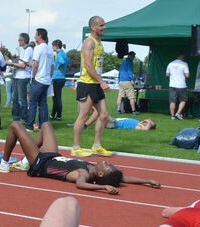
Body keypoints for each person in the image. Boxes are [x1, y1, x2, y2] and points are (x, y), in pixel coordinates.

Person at [0, 120, 160, 194]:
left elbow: (80, 185)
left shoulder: (83, 174)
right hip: (52, 155)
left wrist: (102, 187)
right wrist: (147, 181)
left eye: (107, 166)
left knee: (15, 126)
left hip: (40, 163)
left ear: (100, 174)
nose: (107, 162)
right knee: (46, 126)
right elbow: (122, 178)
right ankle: (25, 161)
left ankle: (4, 163)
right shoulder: (94, 168)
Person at [71, 16, 112, 158]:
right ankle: (76, 147)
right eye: (101, 25)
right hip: (87, 83)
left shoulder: (99, 42)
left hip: (95, 83)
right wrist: (102, 81)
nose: (104, 27)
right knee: (83, 116)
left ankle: (96, 146)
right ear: (93, 27)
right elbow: (88, 66)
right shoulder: (89, 42)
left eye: (104, 25)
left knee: (104, 115)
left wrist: (99, 81)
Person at [27, 29, 53, 131]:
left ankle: (29, 126)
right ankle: (44, 125)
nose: (34, 37)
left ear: (40, 36)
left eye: (36, 35)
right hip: (46, 80)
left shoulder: (38, 48)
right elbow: (52, 66)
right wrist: (49, 77)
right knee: (43, 103)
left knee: (32, 103)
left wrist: (33, 76)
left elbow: (35, 64)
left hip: (38, 79)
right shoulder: (50, 49)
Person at [6, 33, 32, 124]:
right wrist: (14, 63)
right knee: (15, 98)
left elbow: (23, 65)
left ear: (24, 40)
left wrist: (11, 64)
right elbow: (20, 62)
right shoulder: (23, 50)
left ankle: (23, 118)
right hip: (17, 76)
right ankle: (15, 117)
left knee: (21, 99)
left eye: (20, 40)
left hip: (23, 77)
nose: (18, 41)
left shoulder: (28, 49)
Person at [166, 52, 190, 120]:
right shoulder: (184, 64)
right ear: (182, 56)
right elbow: (187, 75)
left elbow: (167, 74)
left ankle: (172, 116)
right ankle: (178, 113)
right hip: (181, 85)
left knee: (172, 101)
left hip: (172, 85)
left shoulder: (170, 64)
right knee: (183, 100)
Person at [82, 109, 156, 131]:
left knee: (101, 112)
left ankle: (85, 125)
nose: (146, 121)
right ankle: (84, 124)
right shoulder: (138, 122)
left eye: (148, 123)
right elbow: (144, 122)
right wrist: (146, 121)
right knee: (98, 111)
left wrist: (148, 124)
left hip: (113, 124)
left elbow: (145, 130)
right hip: (113, 121)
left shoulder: (138, 126)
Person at [50, 40, 68, 120]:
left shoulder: (59, 54)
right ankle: (54, 115)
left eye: (53, 46)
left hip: (57, 77)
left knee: (56, 98)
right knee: (56, 97)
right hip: (61, 77)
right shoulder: (63, 53)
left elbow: (62, 62)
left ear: (56, 46)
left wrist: (58, 68)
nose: (52, 47)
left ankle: (58, 116)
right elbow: (68, 62)